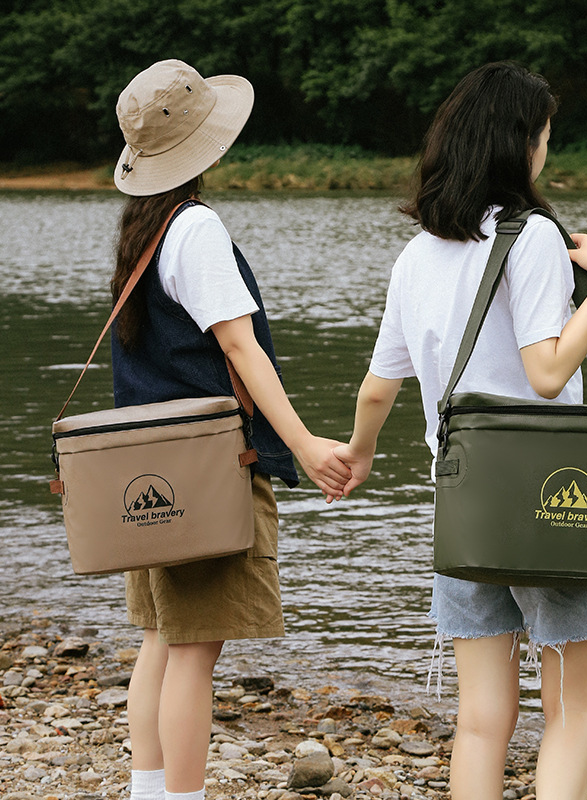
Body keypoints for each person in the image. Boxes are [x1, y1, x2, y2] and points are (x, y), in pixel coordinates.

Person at [333, 62, 587, 800]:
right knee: (571, 712)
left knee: (480, 719)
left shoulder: (417, 254)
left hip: (462, 498)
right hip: (548, 496)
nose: (546, 150)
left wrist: (358, 457)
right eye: (545, 136)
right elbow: (547, 373)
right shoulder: (532, 237)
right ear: (521, 142)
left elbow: (378, 388)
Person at [110, 59, 351, 800]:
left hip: (150, 469)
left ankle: (151, 791)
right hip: (206, 470)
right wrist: (304, 444)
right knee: (192, 653)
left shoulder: (143, 229)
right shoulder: (197, 227)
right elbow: (241, 349)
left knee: (161, 640)